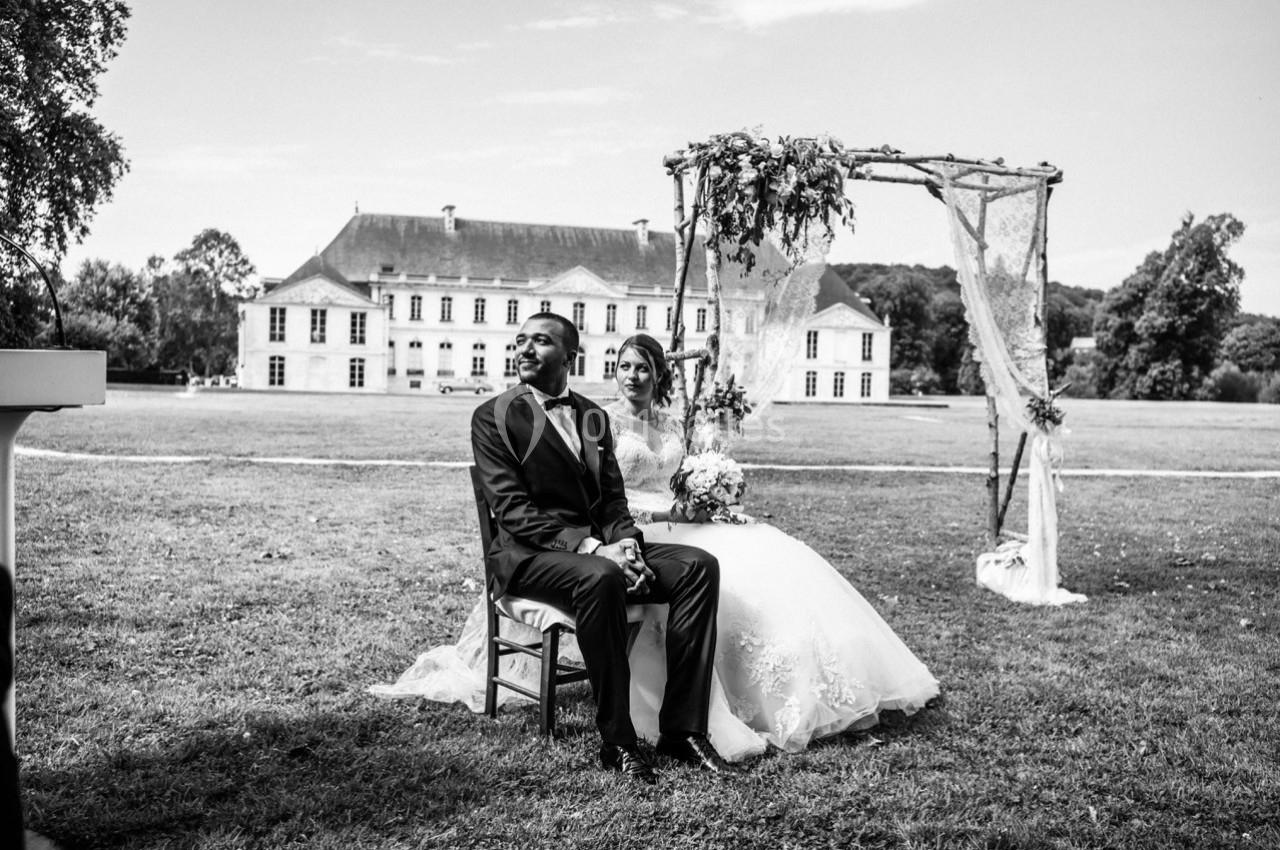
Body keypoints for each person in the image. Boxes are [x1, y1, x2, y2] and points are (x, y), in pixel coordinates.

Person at [608, 333, 940, 755]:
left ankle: (809, 681)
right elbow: (605, 498)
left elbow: (677, 482)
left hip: (685, 520)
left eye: (642, 368)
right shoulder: (604, 421)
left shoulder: (673, 423)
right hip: (641, 528)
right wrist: (663, 516)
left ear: (659, 375)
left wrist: (701, 500)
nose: (632, 376)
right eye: (625, 366)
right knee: (722, 572)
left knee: (768, 551)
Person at [466, 313, 737, 784]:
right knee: (601, 575)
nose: (526, 350)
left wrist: (627, 544)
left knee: (698, 566)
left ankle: (682, 730)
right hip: (530, 557)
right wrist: (596, 548)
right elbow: (512, 512)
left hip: (599, 551)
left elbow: (613, 500)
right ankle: (618, 741)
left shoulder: (593, 416)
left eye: (542, 342)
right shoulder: (493, 416)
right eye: (521, 341)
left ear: (571, 356)